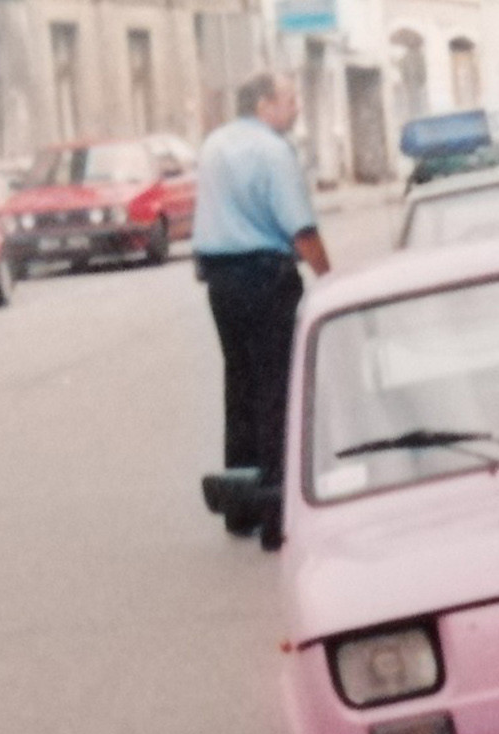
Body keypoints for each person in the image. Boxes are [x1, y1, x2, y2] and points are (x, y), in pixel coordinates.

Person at [192, 72, 331, 544]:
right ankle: (275, 517)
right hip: (267, 276)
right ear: (265, 104)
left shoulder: (213, 146)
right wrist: (329, 280)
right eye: (291, 100)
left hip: (222, 281)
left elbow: (206, 217)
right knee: (278, 389)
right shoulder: (273, 151)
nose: (296, 110)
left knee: (241, 385)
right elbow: (301, 230)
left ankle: (240, 509)